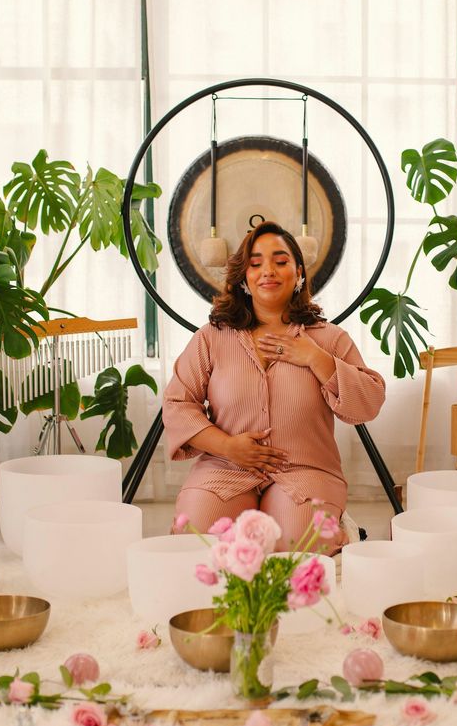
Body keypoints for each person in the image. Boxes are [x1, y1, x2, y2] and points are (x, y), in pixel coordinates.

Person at [163, 221, 385, 551]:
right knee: (196, 541)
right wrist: (227, 446)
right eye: (256, 264)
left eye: (280, 261)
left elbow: (369, 401)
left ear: (299, 273)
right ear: (244, 278)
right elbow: (177, 404)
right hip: (226, 467)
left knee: (295, 547)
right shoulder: (211, 338)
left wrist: (316, 358)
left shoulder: (329, 338)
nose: (268, 271)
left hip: (305, 472)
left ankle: (340, 531)